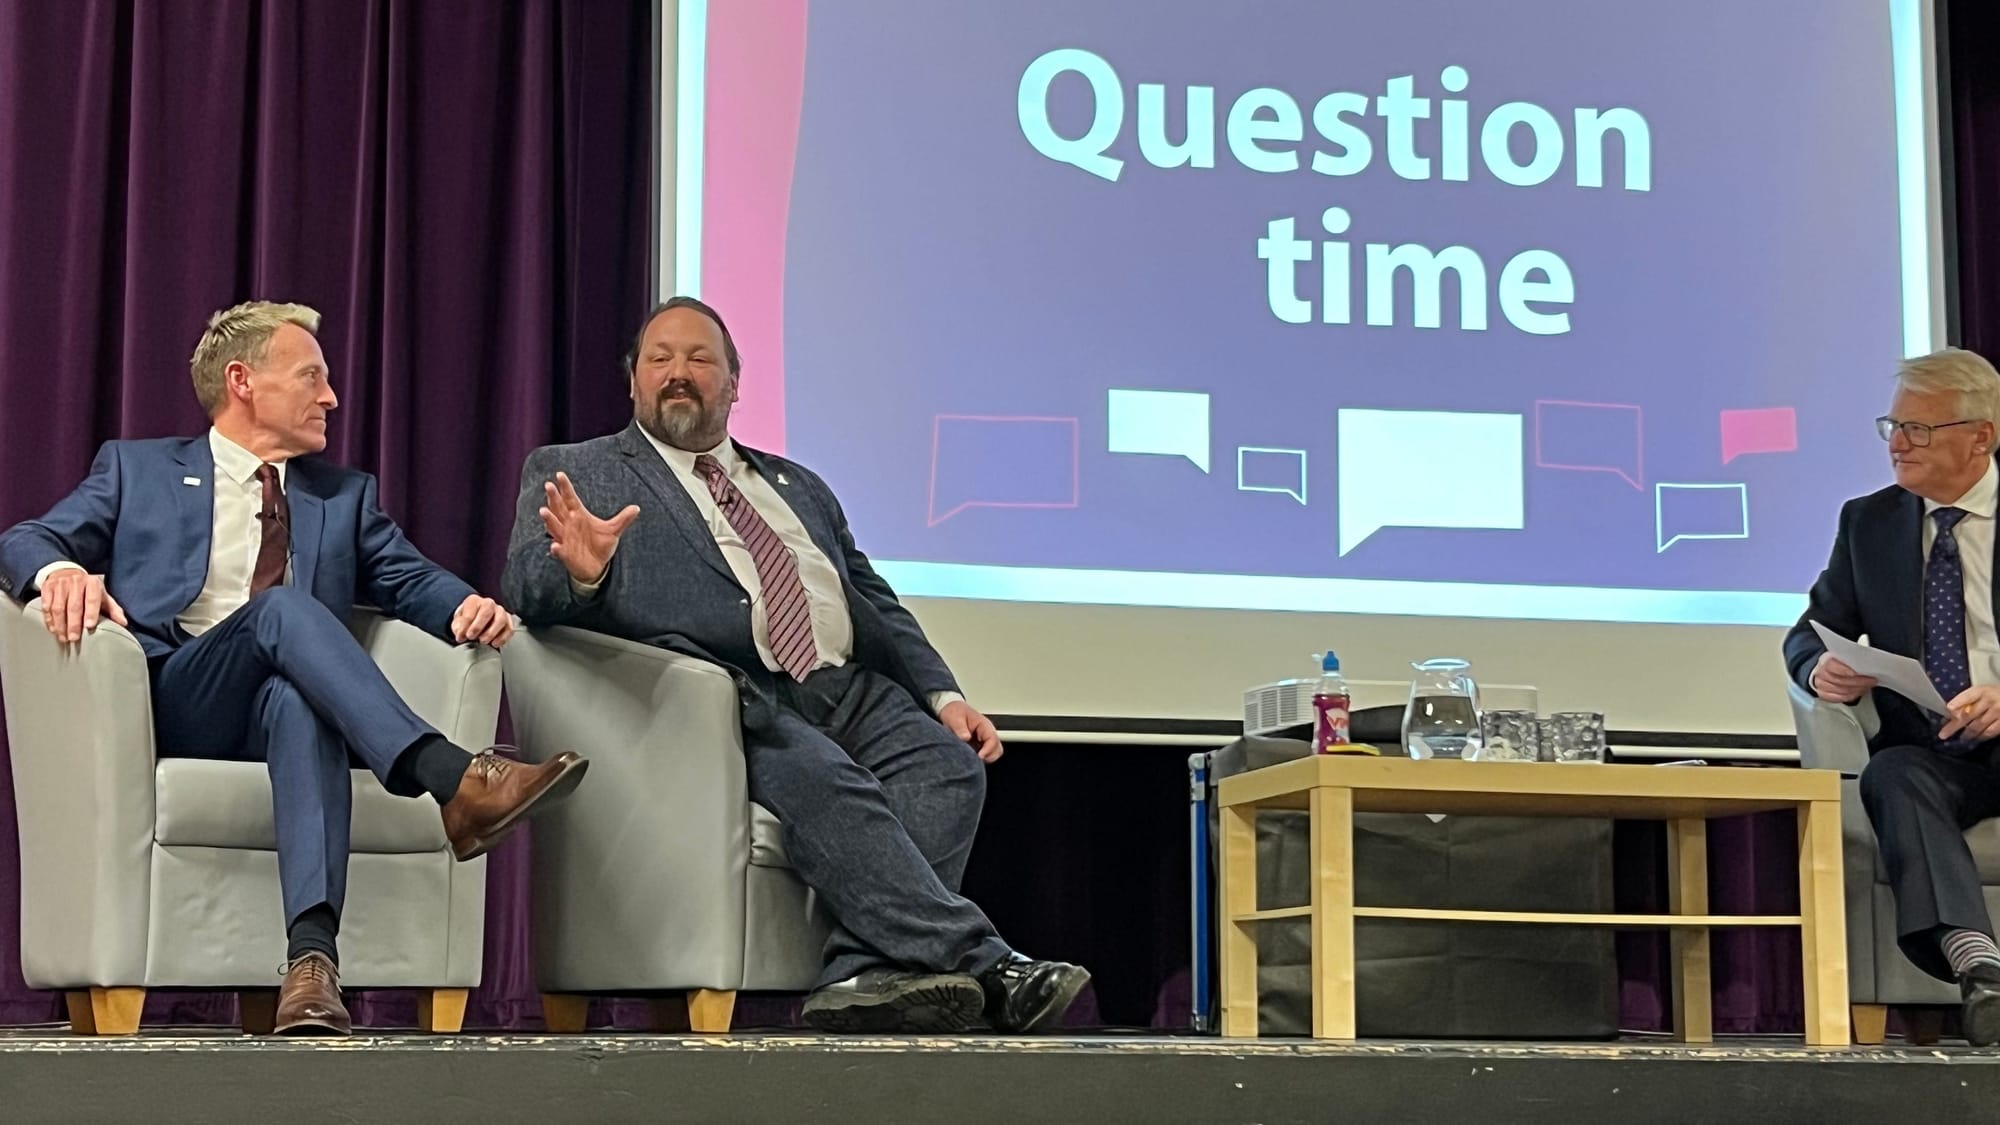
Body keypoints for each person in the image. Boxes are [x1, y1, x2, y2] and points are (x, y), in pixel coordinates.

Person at [500, 297, 1089, 1034]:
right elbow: (524, 588)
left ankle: (860, 974)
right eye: (660, 358)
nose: (679, 372)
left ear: (734, 384)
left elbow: (872, 598)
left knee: (949, 767)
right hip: (729, 699)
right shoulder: (579, 469)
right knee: (831, 782)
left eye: (700, 359)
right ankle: (991, 963)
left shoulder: (799, 486)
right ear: (632, 380)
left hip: (846, 688)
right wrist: (581, 574)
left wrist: (942, 694)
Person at [0, 301, 588, 1036]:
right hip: (175, 698)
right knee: (282, 610)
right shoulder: (137, 469)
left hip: (275, 708)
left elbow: (408, 577)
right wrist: (59, 571)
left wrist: (467, 605)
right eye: (311, 376)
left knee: (298, 700)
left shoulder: (342, 497)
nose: (331, 397)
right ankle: (451, 775)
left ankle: (311, 964)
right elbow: (23, 539)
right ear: (242, 381)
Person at [1785, 346, 2000, 1046]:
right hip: (1937, 750)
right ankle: (1979, 964)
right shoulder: (1869, 522)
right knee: (1892, 772)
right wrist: (1821, 669)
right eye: (1893, 426)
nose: (1898, 443)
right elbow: (1809, 632)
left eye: (1919, 429)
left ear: (1980, 437)